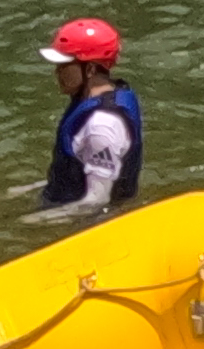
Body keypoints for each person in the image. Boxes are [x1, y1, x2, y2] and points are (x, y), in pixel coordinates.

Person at [40, 17, 145, 218]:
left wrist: (30, 221)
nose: (57, 72)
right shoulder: (102, 98)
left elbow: (97, 201)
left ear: (90, 69)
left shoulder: (102, 126)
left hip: (89, 223)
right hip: (66, 204)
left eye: (64, 65)